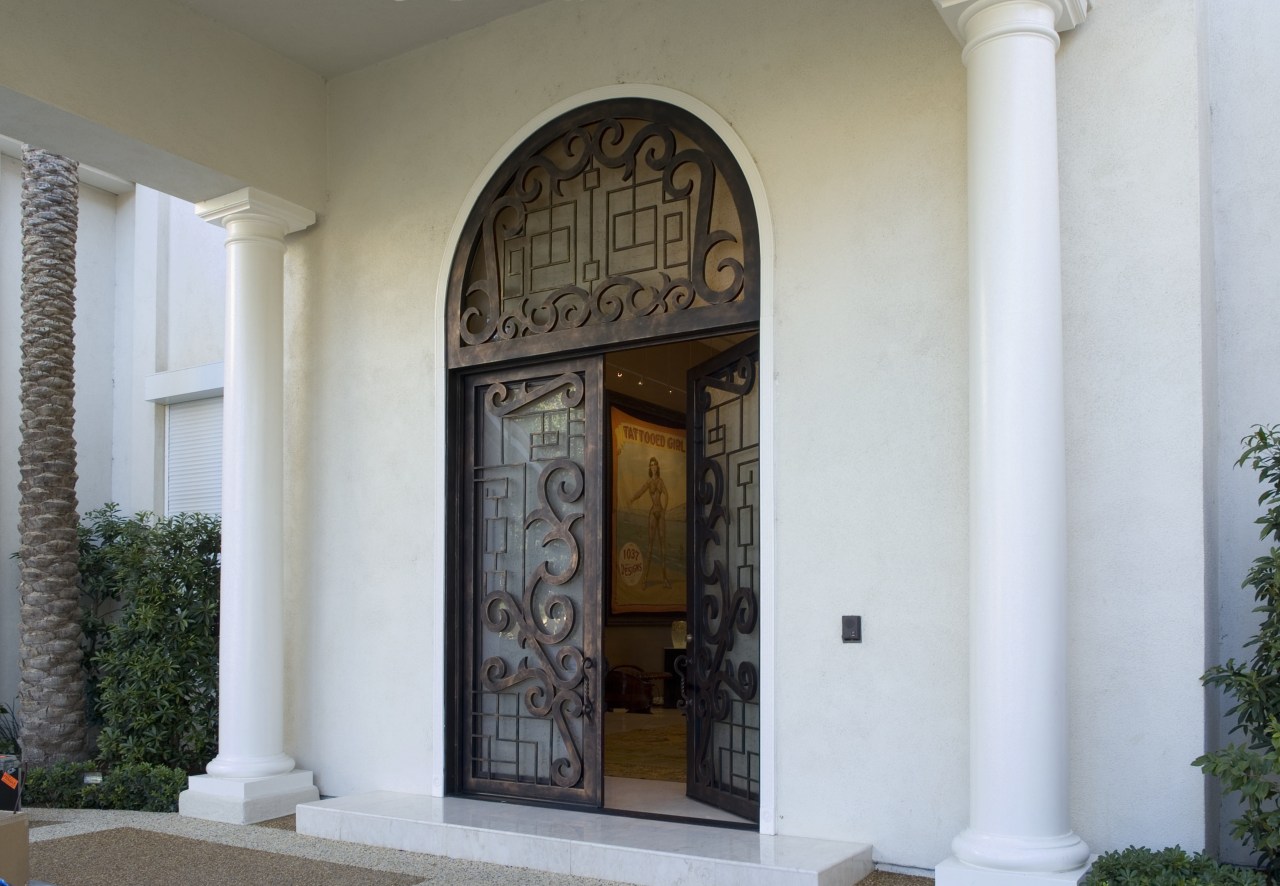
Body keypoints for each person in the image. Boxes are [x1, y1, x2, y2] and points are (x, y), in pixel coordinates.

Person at [629, 456, 670, 587]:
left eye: (655, 464)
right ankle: (645, 579)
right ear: (650, 467)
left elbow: (666, 494)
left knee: (663, 545)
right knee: (651, 545)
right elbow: (640, 492)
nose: (653, 467)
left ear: (657, 467)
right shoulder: (649, 482)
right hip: (653, 513)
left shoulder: (660, 481)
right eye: (651, 465)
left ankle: (665, 578)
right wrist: (632, 499)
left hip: (660, 512)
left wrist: (665, 509)